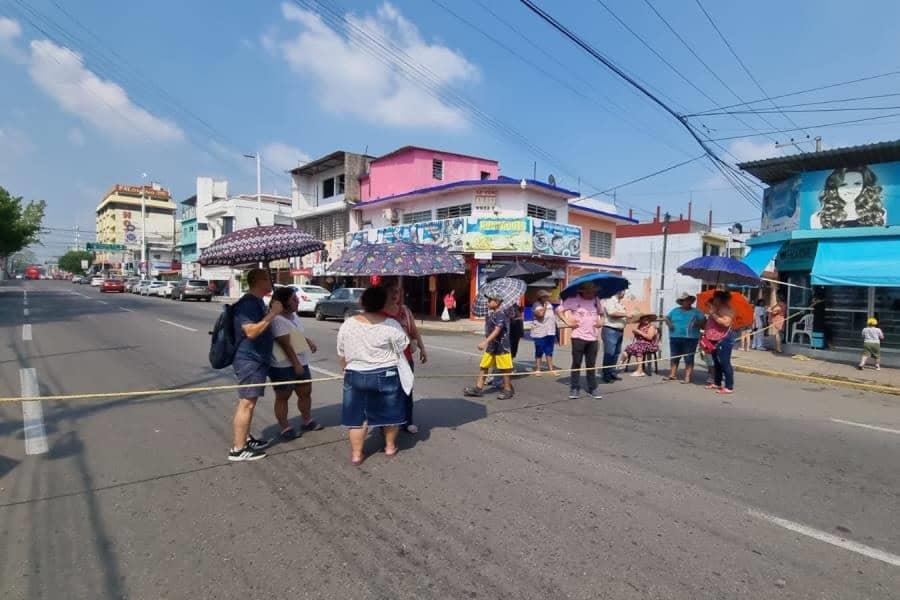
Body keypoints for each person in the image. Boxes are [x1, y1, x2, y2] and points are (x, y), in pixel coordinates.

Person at [336, 286, 409, 466]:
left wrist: (345, 368)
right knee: (391, 413)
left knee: (357, 418)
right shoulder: (391, 324)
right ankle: (390, 447)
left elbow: (341, 353)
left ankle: (356, 454)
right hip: (386, 374)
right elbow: (405, 346)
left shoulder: (349, 323)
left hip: (355, 374)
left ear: (362, 302)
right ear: (384, 303)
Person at [229, 268, 281, 462]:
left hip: (257, 358)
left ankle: (246, 438)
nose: (271, 281)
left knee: (250, 402)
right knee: (247, 403)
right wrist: (273, 313)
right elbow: (250, 331)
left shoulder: (257, 301)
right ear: (258, 281)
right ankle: (238, 449)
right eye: (268, 278)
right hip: (249, 359)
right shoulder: (247, 304)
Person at [269, 286, 322, 441]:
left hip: (301, 361)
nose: (297, 301)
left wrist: (307, 341)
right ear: (283, 302)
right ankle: (285, 427)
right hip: (283, 366)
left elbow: (295, 334)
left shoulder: (293, 316)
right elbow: (285, 344)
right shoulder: (277, 319)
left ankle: (307, 420)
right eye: (293, 299)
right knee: (283, 396)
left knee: (305, 392)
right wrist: (296, 364)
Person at [384, 280, 427, 435]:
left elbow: (414, 331)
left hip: (406, 358)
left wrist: (423, 348)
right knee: (388, 392)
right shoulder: (379, 311)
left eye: (398, 292)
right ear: (386, 292)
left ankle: (407, 421)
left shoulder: (405, 311)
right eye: (392, 291)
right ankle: (386, 423)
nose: (396, 295)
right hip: (386, 359)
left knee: (407, 390)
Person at [557, 282, 604, 399]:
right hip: (578, 337)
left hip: (593, 338)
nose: (592, 293)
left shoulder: (596, 300)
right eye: (590, 291)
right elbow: (559, 310)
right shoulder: (573, 300)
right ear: (583, 291)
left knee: (591, 364)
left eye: (593, 291)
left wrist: (601, 321)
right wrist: (567, 322)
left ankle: (592, 388)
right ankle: (574, 387)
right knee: (577, 363)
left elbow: (602, 314)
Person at [464, 292, 515, 400]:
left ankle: (508, 389)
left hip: (502, 347)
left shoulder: (501, 314)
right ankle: (478, 388)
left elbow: (498, 329)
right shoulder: (492, 314)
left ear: (496, 302)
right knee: (484, 366)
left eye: (490, 300)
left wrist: (485, 341)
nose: (487, 302)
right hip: (492, 346)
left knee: (505, 369)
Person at [811, 166, 886, 229]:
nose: (850, 190)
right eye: (843, 185)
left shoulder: (878, 214)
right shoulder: (818, 218)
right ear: (835, 187)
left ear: (864, 186)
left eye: (857, 184)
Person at [663, 292, 705, 384]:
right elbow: (666, 318)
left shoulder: (697, 312)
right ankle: (672, 374)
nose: (688, 302)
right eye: (685, 300)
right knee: (674, 356)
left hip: (690, 338)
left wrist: (698, 323)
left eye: (689, 300)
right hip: (675, 336)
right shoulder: (675, 310)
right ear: (682, 302)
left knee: (689, 358)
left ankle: (687, 377)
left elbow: (704, 323)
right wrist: (670, 324)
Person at [702, 290, 736, 394]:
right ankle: (717, 382)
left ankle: (729, 386)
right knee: (716, 362)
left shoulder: (727, 310)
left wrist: (714, 314)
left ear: (721, 299)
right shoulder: (715, 308)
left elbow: (726, 323)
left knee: (725, 362)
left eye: (716, 298)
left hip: (723, 339)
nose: (715, 300)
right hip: (712, 338)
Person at [600, 289, 629, 383]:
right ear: (619, 291)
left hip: (619, 330)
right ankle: (606, 374)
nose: (625, 293)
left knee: (616, 352)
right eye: (624, 291)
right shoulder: (610, 300)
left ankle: (611, 371)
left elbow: (622, 316)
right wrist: (626, 314)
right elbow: (611, 313)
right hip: (610, 329)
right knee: (609, 353)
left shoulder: (620, 303)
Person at [531, 289, 558, 376]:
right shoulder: (536, 305)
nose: (547, 298)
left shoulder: (549, 304)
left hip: (550, 330)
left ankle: (551, 369)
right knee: (539, 350)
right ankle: (538, 369)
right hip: (539, 331)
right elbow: (540, 315)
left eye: (548, 296)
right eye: (545, 296)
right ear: (541, 297)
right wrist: (545, 307)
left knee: (549, 350)